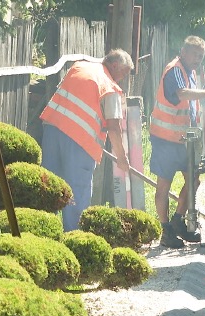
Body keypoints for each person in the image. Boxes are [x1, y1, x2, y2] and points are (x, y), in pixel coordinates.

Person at [150, 35, 205, 248]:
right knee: (163, 186)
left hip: (184, 140)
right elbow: (184, 94)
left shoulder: (191, 72)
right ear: (184, 52)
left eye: (201, 56)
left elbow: (195, 102)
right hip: (166, 139)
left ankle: (178, 220)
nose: (198, 59)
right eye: (195, 54)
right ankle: (166, 230)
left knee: (194, 180)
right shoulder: (175, 70)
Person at [39, 49, 134, 231]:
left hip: (52, 130)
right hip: (79, 142)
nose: (123, 78)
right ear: (115, 66)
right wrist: (122, 159)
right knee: (77, 192)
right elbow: (114, 128)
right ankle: (73, 239)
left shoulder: (79, 67)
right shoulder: (110, 87)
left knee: (49, 185)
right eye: (124, 73)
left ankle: (44, 232)